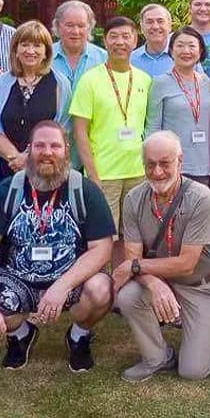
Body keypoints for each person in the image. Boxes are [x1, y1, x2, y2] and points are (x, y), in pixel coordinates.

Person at [0, 121, 114, 371]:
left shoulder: (85, 191)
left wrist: (62, 286)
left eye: (55, 146)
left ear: (66, 150)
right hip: (18, 278)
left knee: (101, 288)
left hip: (69, 280)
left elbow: (102, 249)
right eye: (40, 146)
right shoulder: (7, 191)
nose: (47, 152)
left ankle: (79, 336)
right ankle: (20, 335)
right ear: (29, 150)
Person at [114, 131, 210, 382]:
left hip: (201, 285)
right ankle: (158, 357)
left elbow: (186, 264)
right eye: (150, 164)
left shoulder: (201, 197)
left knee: (193, 372)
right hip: (162, 279)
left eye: (165, 163)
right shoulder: (133, 199)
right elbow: (133, 258)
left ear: (180, 161)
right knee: (128, 296)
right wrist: (154, 284)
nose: (157, 172)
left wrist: (134, 267)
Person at [70, 16, 152, 269]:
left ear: (135, 40)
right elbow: (79, 131)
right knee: (104, 236)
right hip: (105, 172)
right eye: (114, 37)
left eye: (126, 36)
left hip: (138, 172)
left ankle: (123, 283)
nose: (120, 42)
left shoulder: (144, 80)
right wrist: (92, 174)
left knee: (132, 235)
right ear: (104, 41)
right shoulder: (90, 79)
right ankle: (99, 284)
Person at [0, 20, 72, 189]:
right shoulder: (2, 82)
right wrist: (16, 158)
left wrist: (28, 158)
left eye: (37, 45)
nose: (30, 51)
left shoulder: (61, 83)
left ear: (46, 52)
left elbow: (64, 127)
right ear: (15, 50)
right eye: (24, 45)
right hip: (7, 169)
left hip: (46, 171)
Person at [145, 27, 210, 185]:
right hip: (172, 166)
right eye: (180, 45)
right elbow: (153, 128)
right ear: (171, 50)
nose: (186, 51)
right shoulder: (160, 82)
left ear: (200, 50)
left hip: (204, 165)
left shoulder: (206, 82)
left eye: (191, 46)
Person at [50, 0, 108, 170]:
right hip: (54, 144)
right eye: (69, 25)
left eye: (81, 26)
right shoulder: (44, 57)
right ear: (58, 27)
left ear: (90, 28)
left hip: (95, 145)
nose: (75, 31)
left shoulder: (104, 59)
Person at [131, 4, 173, 77]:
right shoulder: (131, 61)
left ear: (169, 26)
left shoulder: (185, 56)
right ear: (142, 27)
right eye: (149, 22)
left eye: (160, 21)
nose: (155, 27)